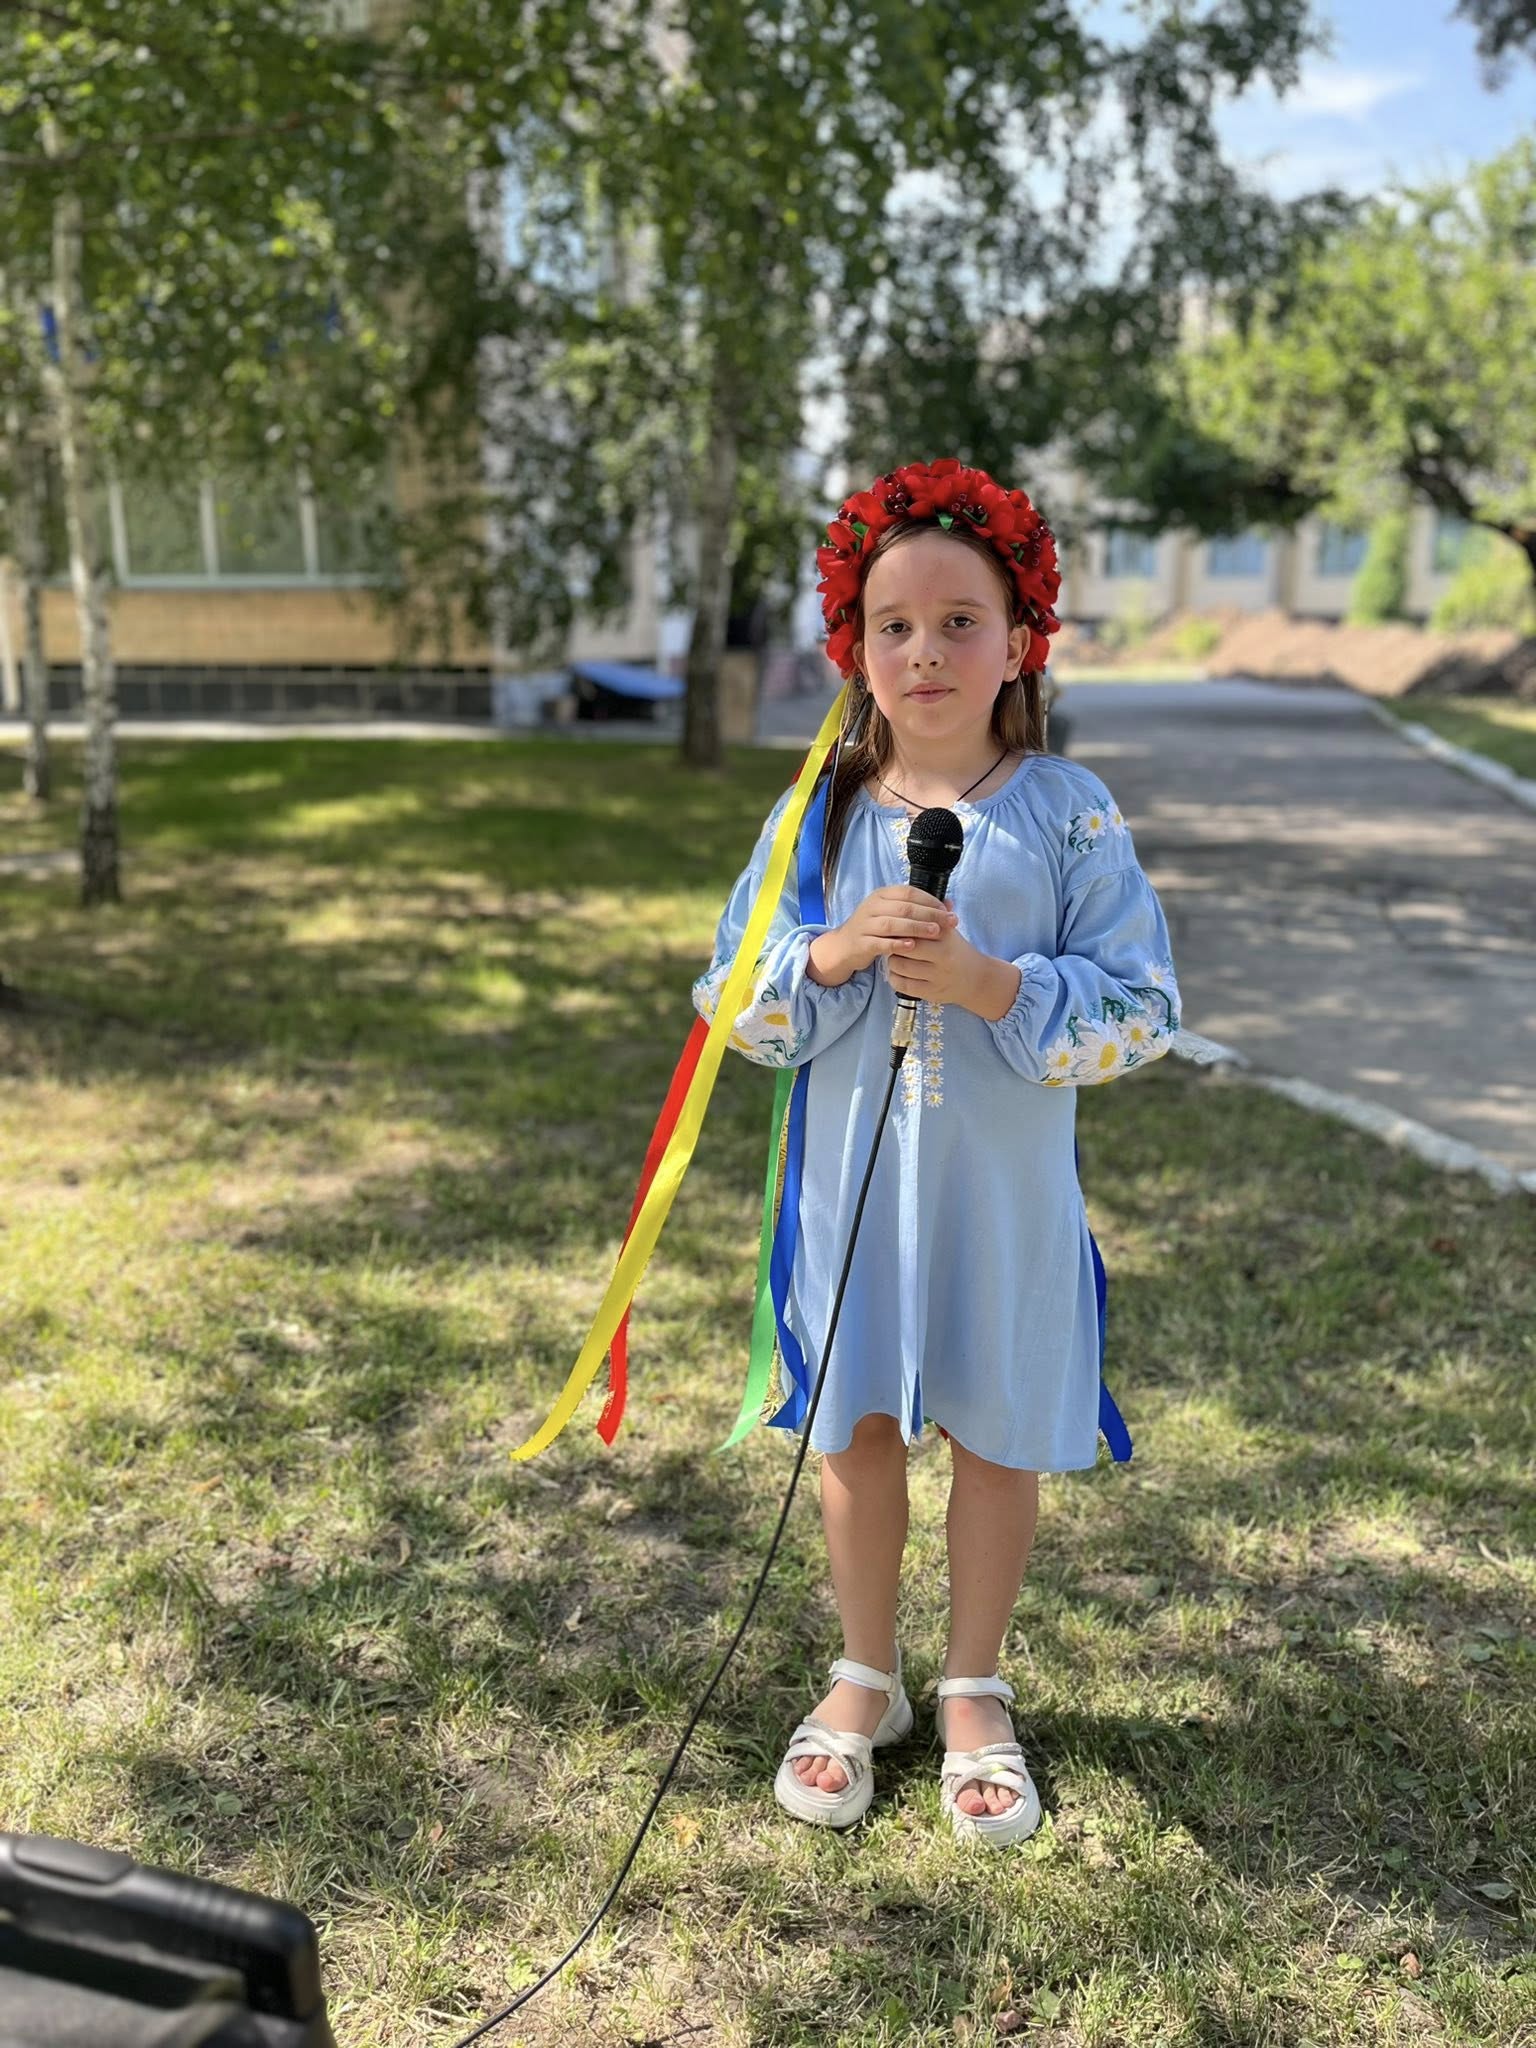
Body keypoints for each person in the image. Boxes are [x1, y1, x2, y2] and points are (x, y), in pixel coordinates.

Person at [691, 458, 1180, 1847]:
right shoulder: (821, 813)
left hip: (1002, 1201)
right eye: (893, 624)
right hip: (856, 1193)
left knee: (994, 1429)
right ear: (853, 649)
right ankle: (866, 1675)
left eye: (961, 621)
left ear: (1021, 641)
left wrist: (992, 984)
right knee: (856, 1427)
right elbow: (731, 997)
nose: (925, 651)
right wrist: (832, 952)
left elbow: (1146, 1009)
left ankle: (972, 1685)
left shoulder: (1070, 810)